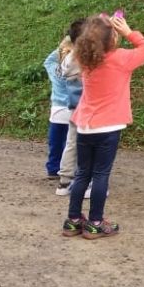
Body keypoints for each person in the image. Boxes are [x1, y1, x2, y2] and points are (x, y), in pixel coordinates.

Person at [61, 14, 144, 239]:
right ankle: (95, 222)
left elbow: (80, 51)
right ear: (112, 38)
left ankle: (73, 220)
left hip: (85, 125)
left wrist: (98, 27)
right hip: (108, 127)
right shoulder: (121, 58)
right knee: (101, 175)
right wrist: (127, 32)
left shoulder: (85, 57)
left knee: (82, 173)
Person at [44, 20, 85, 181]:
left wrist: (61, 48)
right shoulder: (78, 68)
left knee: (55, 142)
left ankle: (53, 168)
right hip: (75, 108)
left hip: (57, 111)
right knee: (73, 143)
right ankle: (74, 170)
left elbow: (48, 61)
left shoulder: (54, 69)